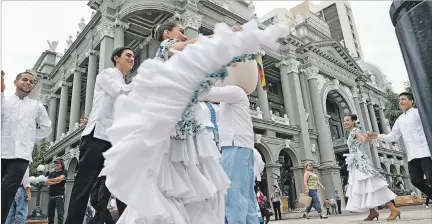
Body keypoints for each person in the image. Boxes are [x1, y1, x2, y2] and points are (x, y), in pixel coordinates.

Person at [101, 20, 288, 224]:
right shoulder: (167, 47)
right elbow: (196, 44)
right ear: (167, 34)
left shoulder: (181, 59)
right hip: (177, 125)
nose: (183, 35)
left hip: (186, 123)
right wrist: (227, 34)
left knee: (188, 182)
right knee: (177, 181)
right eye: (180, 31)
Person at [64, 46, 135, 224]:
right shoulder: (107, 75)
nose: (132, 58)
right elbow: (117, 91)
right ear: (116, 58)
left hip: (116, 141)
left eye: (134, 56)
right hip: (97, 137)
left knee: (121, 186)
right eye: (128, 55)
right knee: (83, 187)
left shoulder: (126, 85)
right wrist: (144, 82)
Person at [1, 70, 52, 223]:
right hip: (2, 150)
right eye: (25, 79)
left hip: (21, 155)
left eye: (31, 82)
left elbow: (46, 127)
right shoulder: (4, 100)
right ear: (15, 82)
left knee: (7, 192)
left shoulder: (36, 106)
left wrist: (28, 138)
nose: (28, 83)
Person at [369, 92, 432, 201]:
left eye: (403, 99)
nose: (400, 102)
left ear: (411, 101)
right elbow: (393, 136)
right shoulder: (400, 119)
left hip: (425, 151)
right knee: (415, 180)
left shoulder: (418, 113)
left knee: (430, 178)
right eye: (400, 100)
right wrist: (377, 136)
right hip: (412, 154)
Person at [344, 114, 400, 221]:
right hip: (355, 163)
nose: (345, 122)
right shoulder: (350, 132)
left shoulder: (355, 130)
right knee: (363, 186)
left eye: (347, 120)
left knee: (373, 185)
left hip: (361, 162)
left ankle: (393, 209)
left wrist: (368, 137)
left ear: (353, 121)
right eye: (344, 121)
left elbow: (363, 141)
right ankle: (373, 212)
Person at [45, 158, 67, 224]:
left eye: (58, 163)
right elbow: (46, 182)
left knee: (60, 215)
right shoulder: (52, 173)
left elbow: (60, 179)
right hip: (51, 196)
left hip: (60, 196)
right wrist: (55, 181)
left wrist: (51, 181)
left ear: (62, 164)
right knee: (50, 216)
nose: (56, 164)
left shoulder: (64, 172)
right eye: (55, 163)